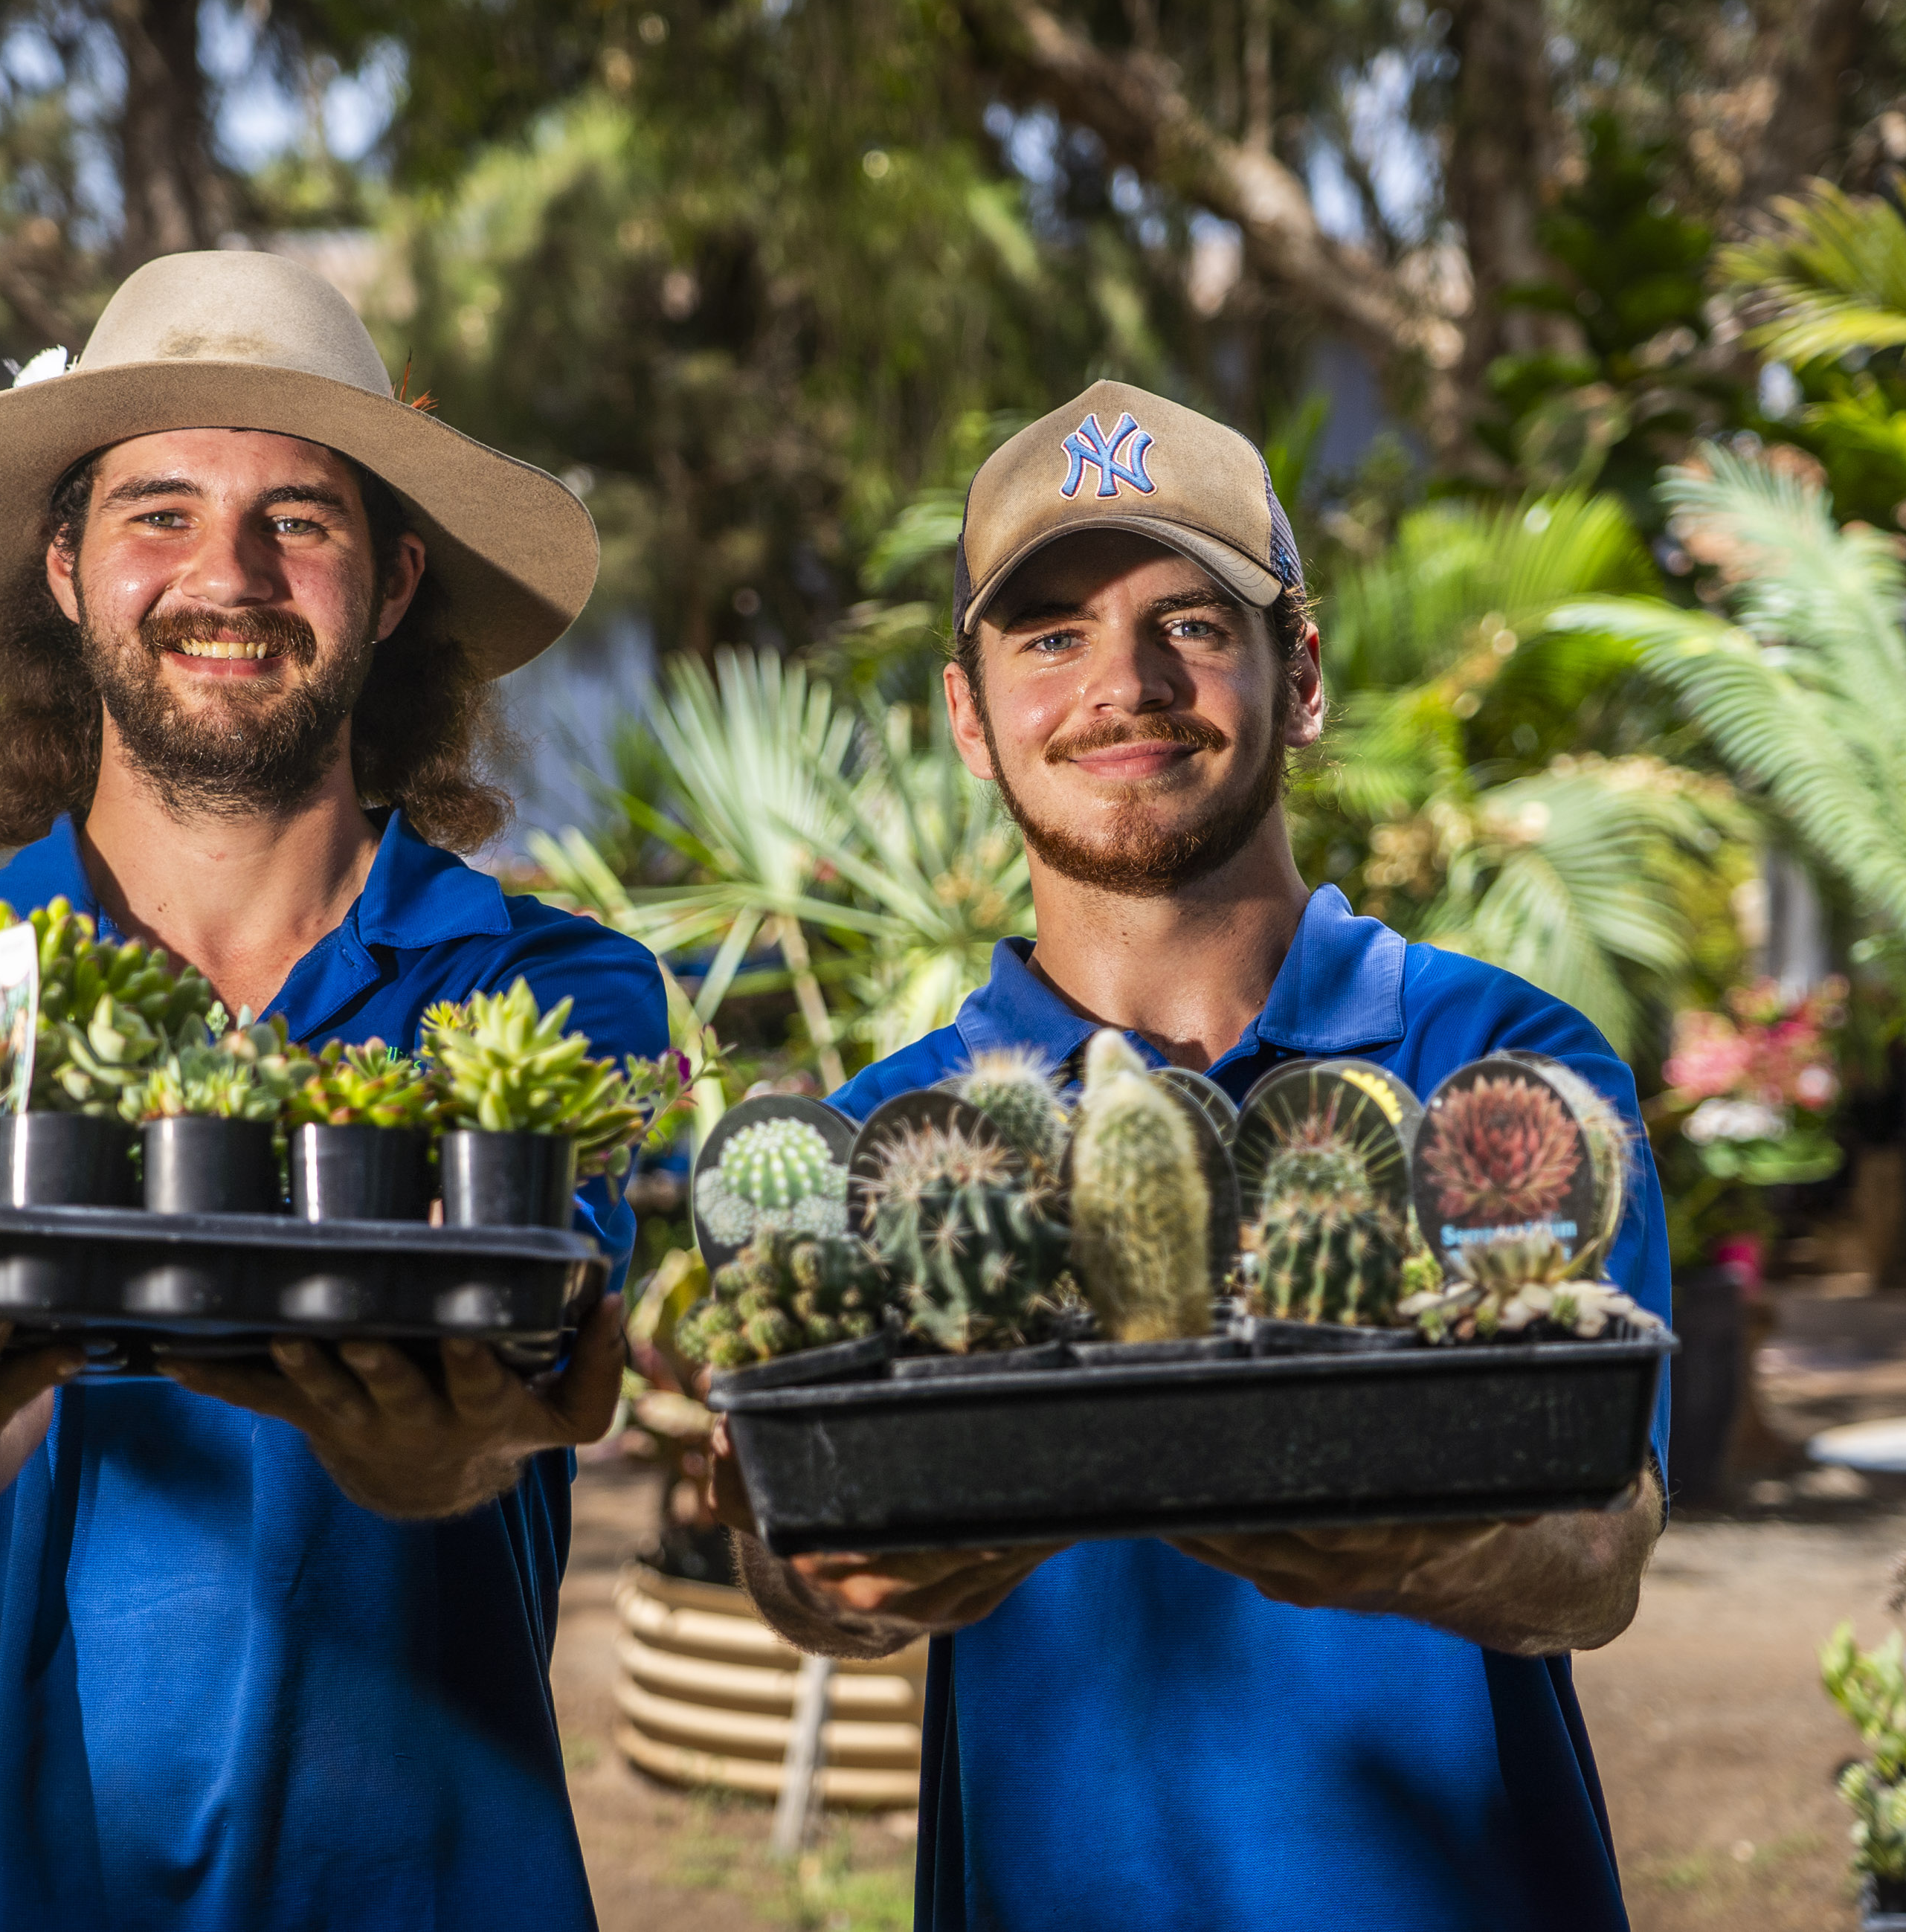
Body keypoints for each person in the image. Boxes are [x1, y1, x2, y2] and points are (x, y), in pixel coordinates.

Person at [0, 251, 664, 1930]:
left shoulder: (545, 997)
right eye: (157, 513)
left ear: (394, 577)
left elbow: (529, 1375)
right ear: (61, 568)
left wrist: (465, 1438)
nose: (229, 574)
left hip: (420, 1884)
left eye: (300, 518)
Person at [706, 384, 1671, 1931]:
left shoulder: (1502, 1073)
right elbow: (793, 1562)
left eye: (1189, 623)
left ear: (1297, 676)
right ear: (969, 713)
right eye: (1046, 635)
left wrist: (1417, 1541)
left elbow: (1600, 1547)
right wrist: (817, 1567)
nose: (1123, 683)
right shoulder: (897, 1131)